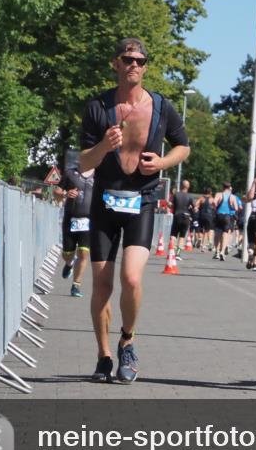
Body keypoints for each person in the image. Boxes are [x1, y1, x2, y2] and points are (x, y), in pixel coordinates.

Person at [79, 37, 190, 384]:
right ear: (116, 63)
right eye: (128, 59)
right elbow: (84, 163)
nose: (134, 65)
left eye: (140, 61)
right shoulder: (97, 107)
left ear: (145, 67)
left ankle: (127, 340)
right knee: (102, 285)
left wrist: (162, 163)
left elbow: (183, 147)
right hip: (104, 201)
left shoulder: (161, 106)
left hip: (142, 199)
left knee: (131, 278)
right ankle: (103, 356)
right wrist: (103, 146)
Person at [59, 163, 95, 297]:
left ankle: (76, 285)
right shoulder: (70, 173)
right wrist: (65, 194)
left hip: (89, 221)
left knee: (83, 253)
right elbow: (56, 193)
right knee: (67, 254)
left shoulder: (100, 175)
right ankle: (69, 263)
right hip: (71, 219)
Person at [214, 181, 240, 261]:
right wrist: (231, 206)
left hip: (219, 215)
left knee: (217, 233)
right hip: (227, 216)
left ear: (223, 187)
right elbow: (236, 208)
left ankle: (217, 251)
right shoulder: (232, 197)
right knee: (225, 234)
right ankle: (222, 251)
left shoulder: (219, 194)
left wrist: (216, 207)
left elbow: (214, 202)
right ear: (229, 188)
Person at [169, 179, 194, 260]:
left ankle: (171, 251)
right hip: (186, 217)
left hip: (177, 216)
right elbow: (193, 208)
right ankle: (178, 254)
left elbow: (170, 205)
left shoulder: (176, 195)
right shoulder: (190, 196)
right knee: (182, 236)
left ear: (181, 186)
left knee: (173, 235)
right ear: (188, 187)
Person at [196, 188, 215, 252]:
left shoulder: (201, 198)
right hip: (209, 216)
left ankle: (200, 238)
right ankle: (203, 246)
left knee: (200, 229)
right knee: (206, 231)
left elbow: (196, 204)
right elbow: (215, 206)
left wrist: (197, 208)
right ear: (210, 192)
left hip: (201, 215)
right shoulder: (212, 199)